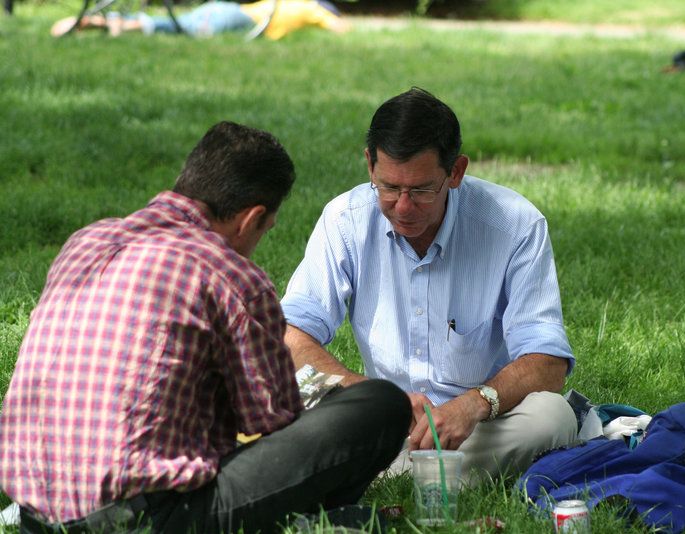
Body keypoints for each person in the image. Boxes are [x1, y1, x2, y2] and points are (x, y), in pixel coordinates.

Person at [0, 121, 411, 534]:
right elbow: (271, 420)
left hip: (37, 514)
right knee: (380, 405)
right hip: (149, 519)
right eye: (264, 232)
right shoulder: (231, 274)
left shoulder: (86, 242)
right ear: (251, 220)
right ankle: (308, 519)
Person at [281, 87, 579, 484]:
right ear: (370, 165)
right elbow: (290, 339)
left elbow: (548, 364)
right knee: (288, 394)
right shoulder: (344, 220)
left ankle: (375, 474)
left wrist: (473, 405)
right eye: (388, 187)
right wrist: (378, 401)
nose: (403, 207)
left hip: (481, 425)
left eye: (421, 190)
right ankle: (427, 473)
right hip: (379, 421)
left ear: (456, 172)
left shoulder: (515, 225)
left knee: (551, 416)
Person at [50, 0, 349, 39]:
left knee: (177, 22)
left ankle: (107, 20)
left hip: (223, 9)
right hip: (234, 21)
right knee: (176, 28)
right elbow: (340, 26)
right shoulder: (315, 8)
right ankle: (117, 24)